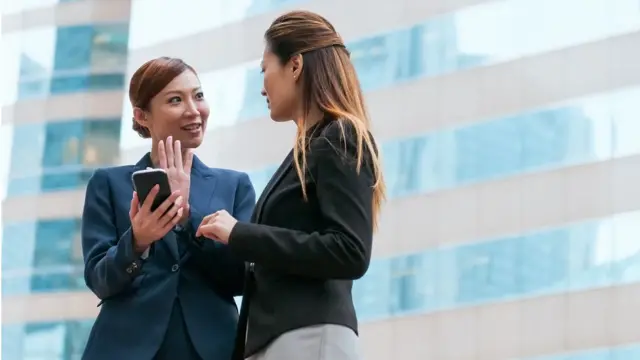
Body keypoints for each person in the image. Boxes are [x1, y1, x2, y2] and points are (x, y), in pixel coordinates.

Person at [196, 10, 386, 360]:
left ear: (295, 65)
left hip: (308, 337)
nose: (262, 85)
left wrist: (240, 234)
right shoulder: (307, 149)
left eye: (264, 69)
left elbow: (350, 251)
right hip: (282, 338)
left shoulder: (338, 136)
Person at [80, 57, 256, 360]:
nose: (193, 110)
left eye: (198, 95)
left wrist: (188, 218)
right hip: (124, 348)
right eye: (175, 100)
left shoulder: (234, 185)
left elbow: (243, 279)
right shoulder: (109, 184)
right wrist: (136, 242)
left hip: (212, 349)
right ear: (142, 115)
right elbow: (100, 280)